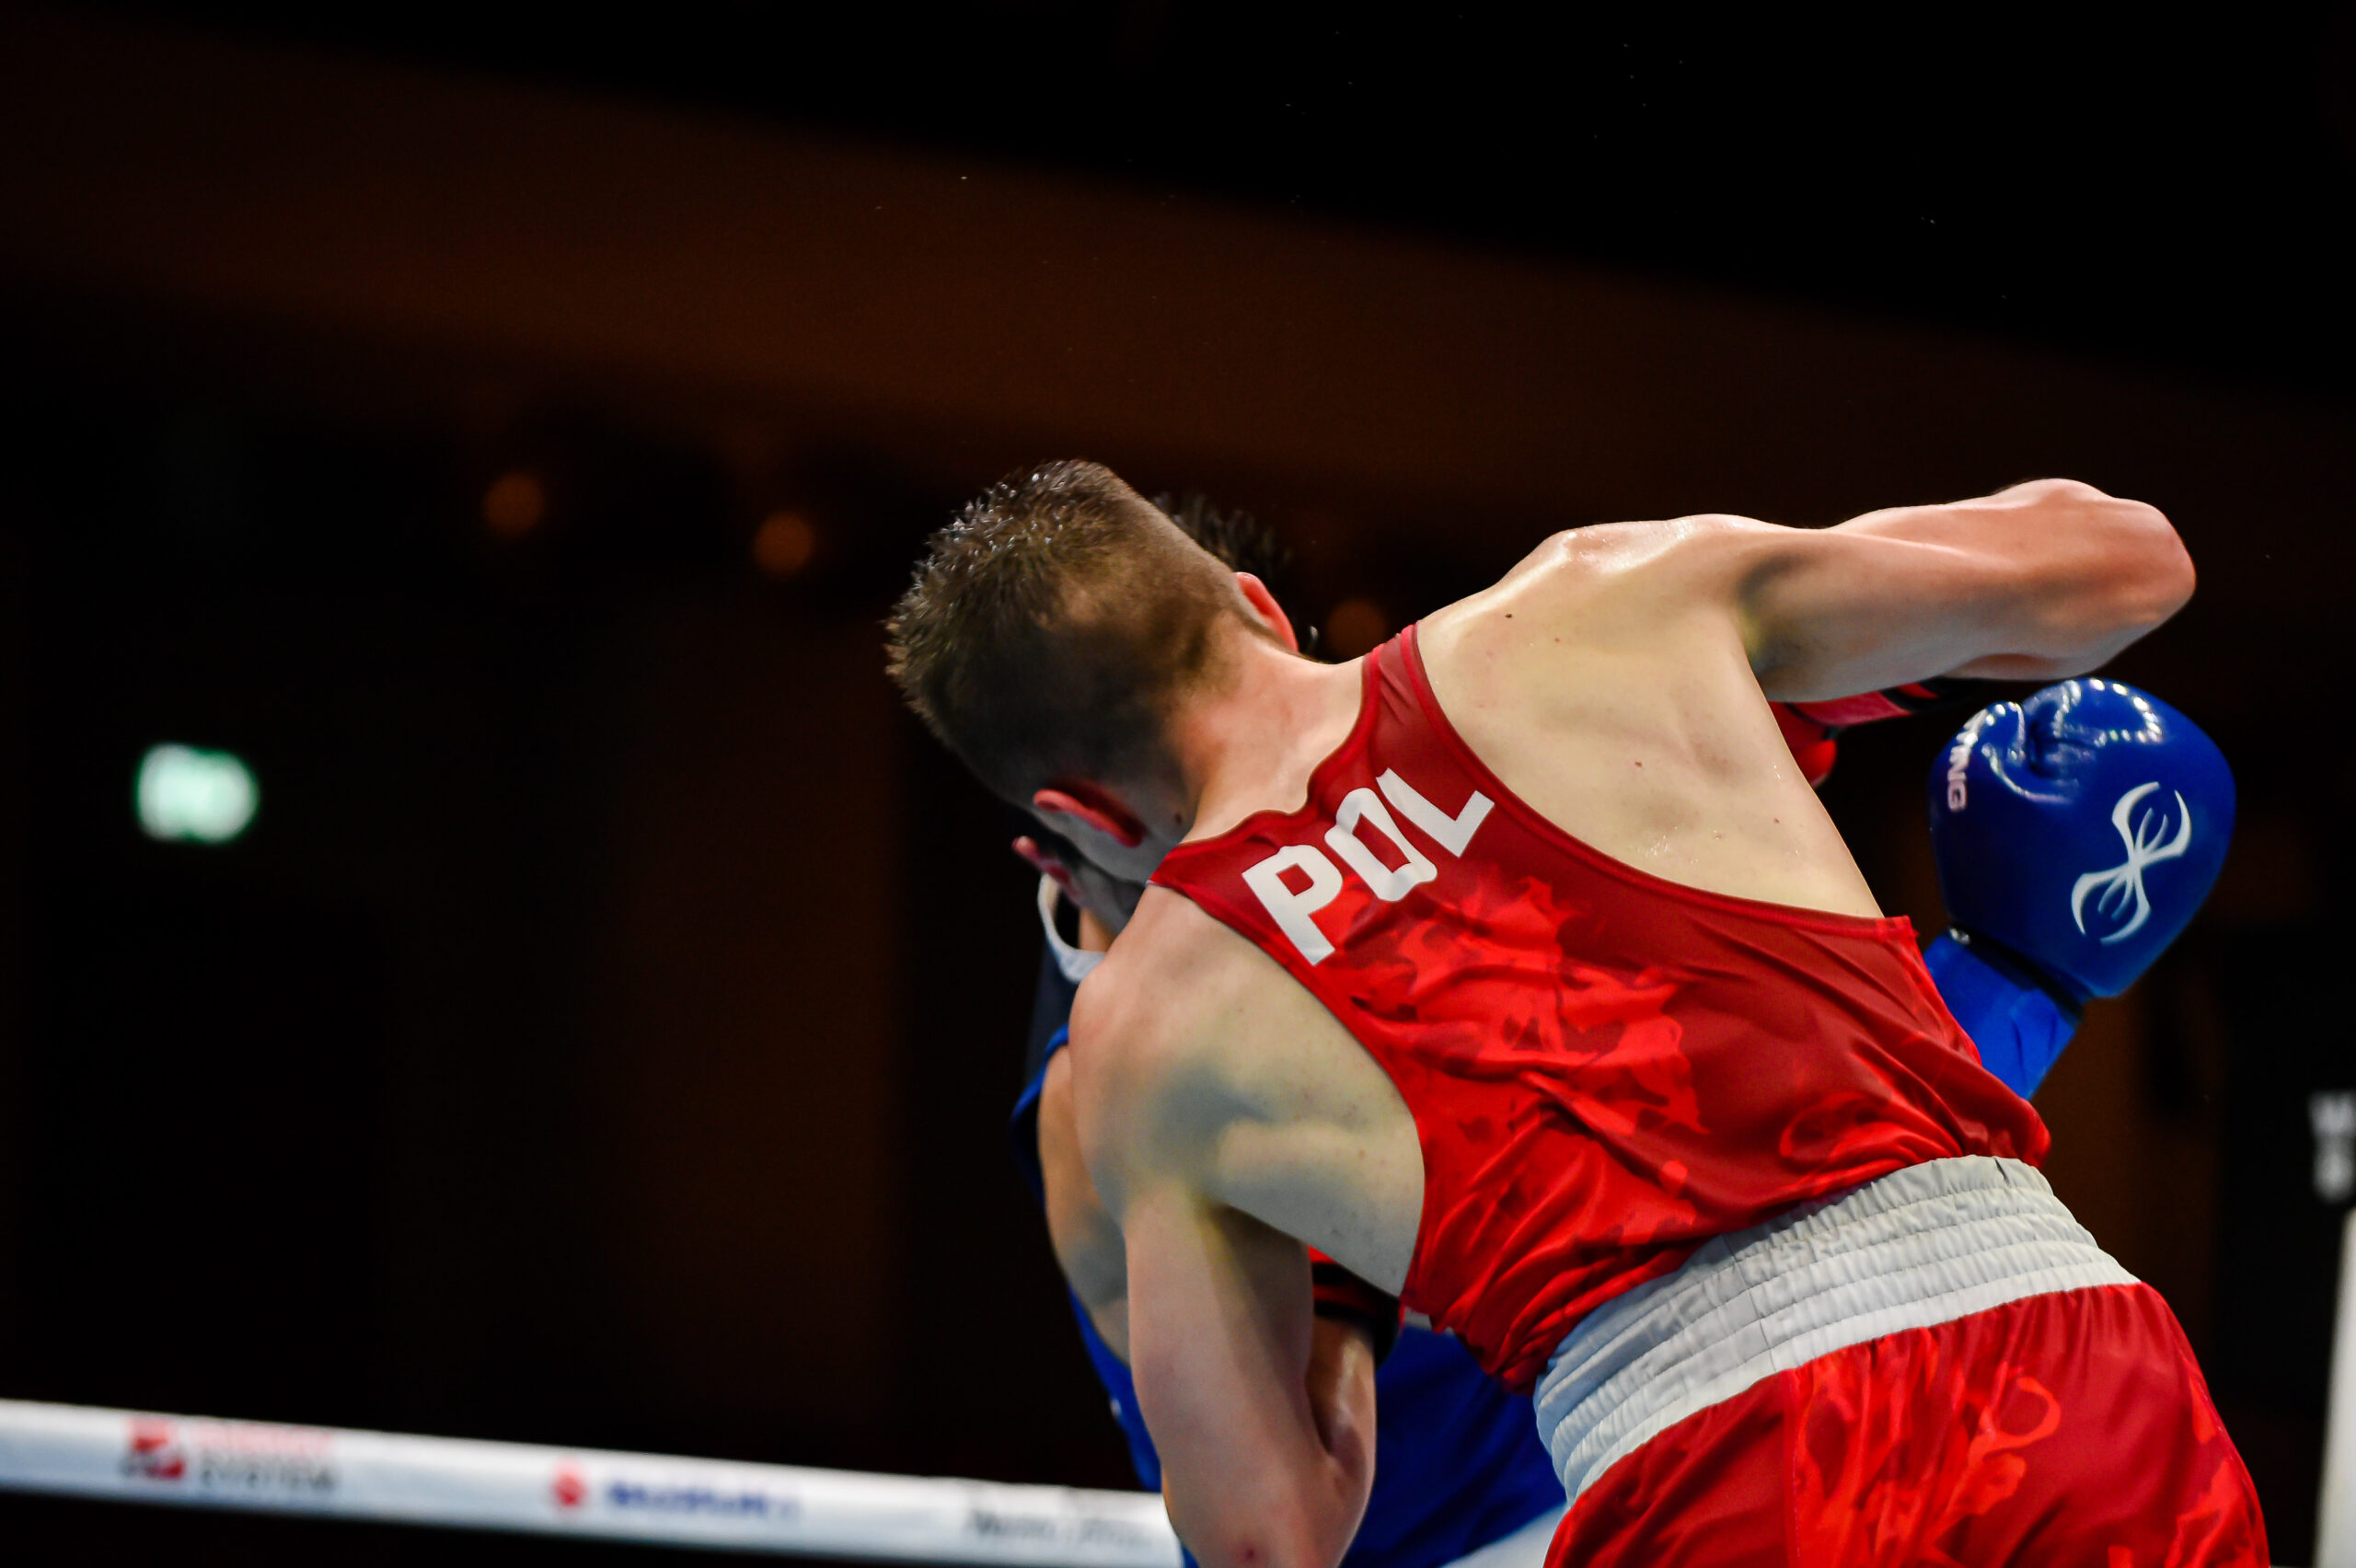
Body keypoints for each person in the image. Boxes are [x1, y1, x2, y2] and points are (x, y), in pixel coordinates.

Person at [890, 463, 2263, 1567]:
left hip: (1711, 1477)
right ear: (1256, 605)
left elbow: (1268, 1539)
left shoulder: (1139, 1045)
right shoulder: (1591, 603)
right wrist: (1802, 646)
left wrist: (1335, 1273)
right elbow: (2130, 562)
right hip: (2069, 1365)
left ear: (1077, 818)